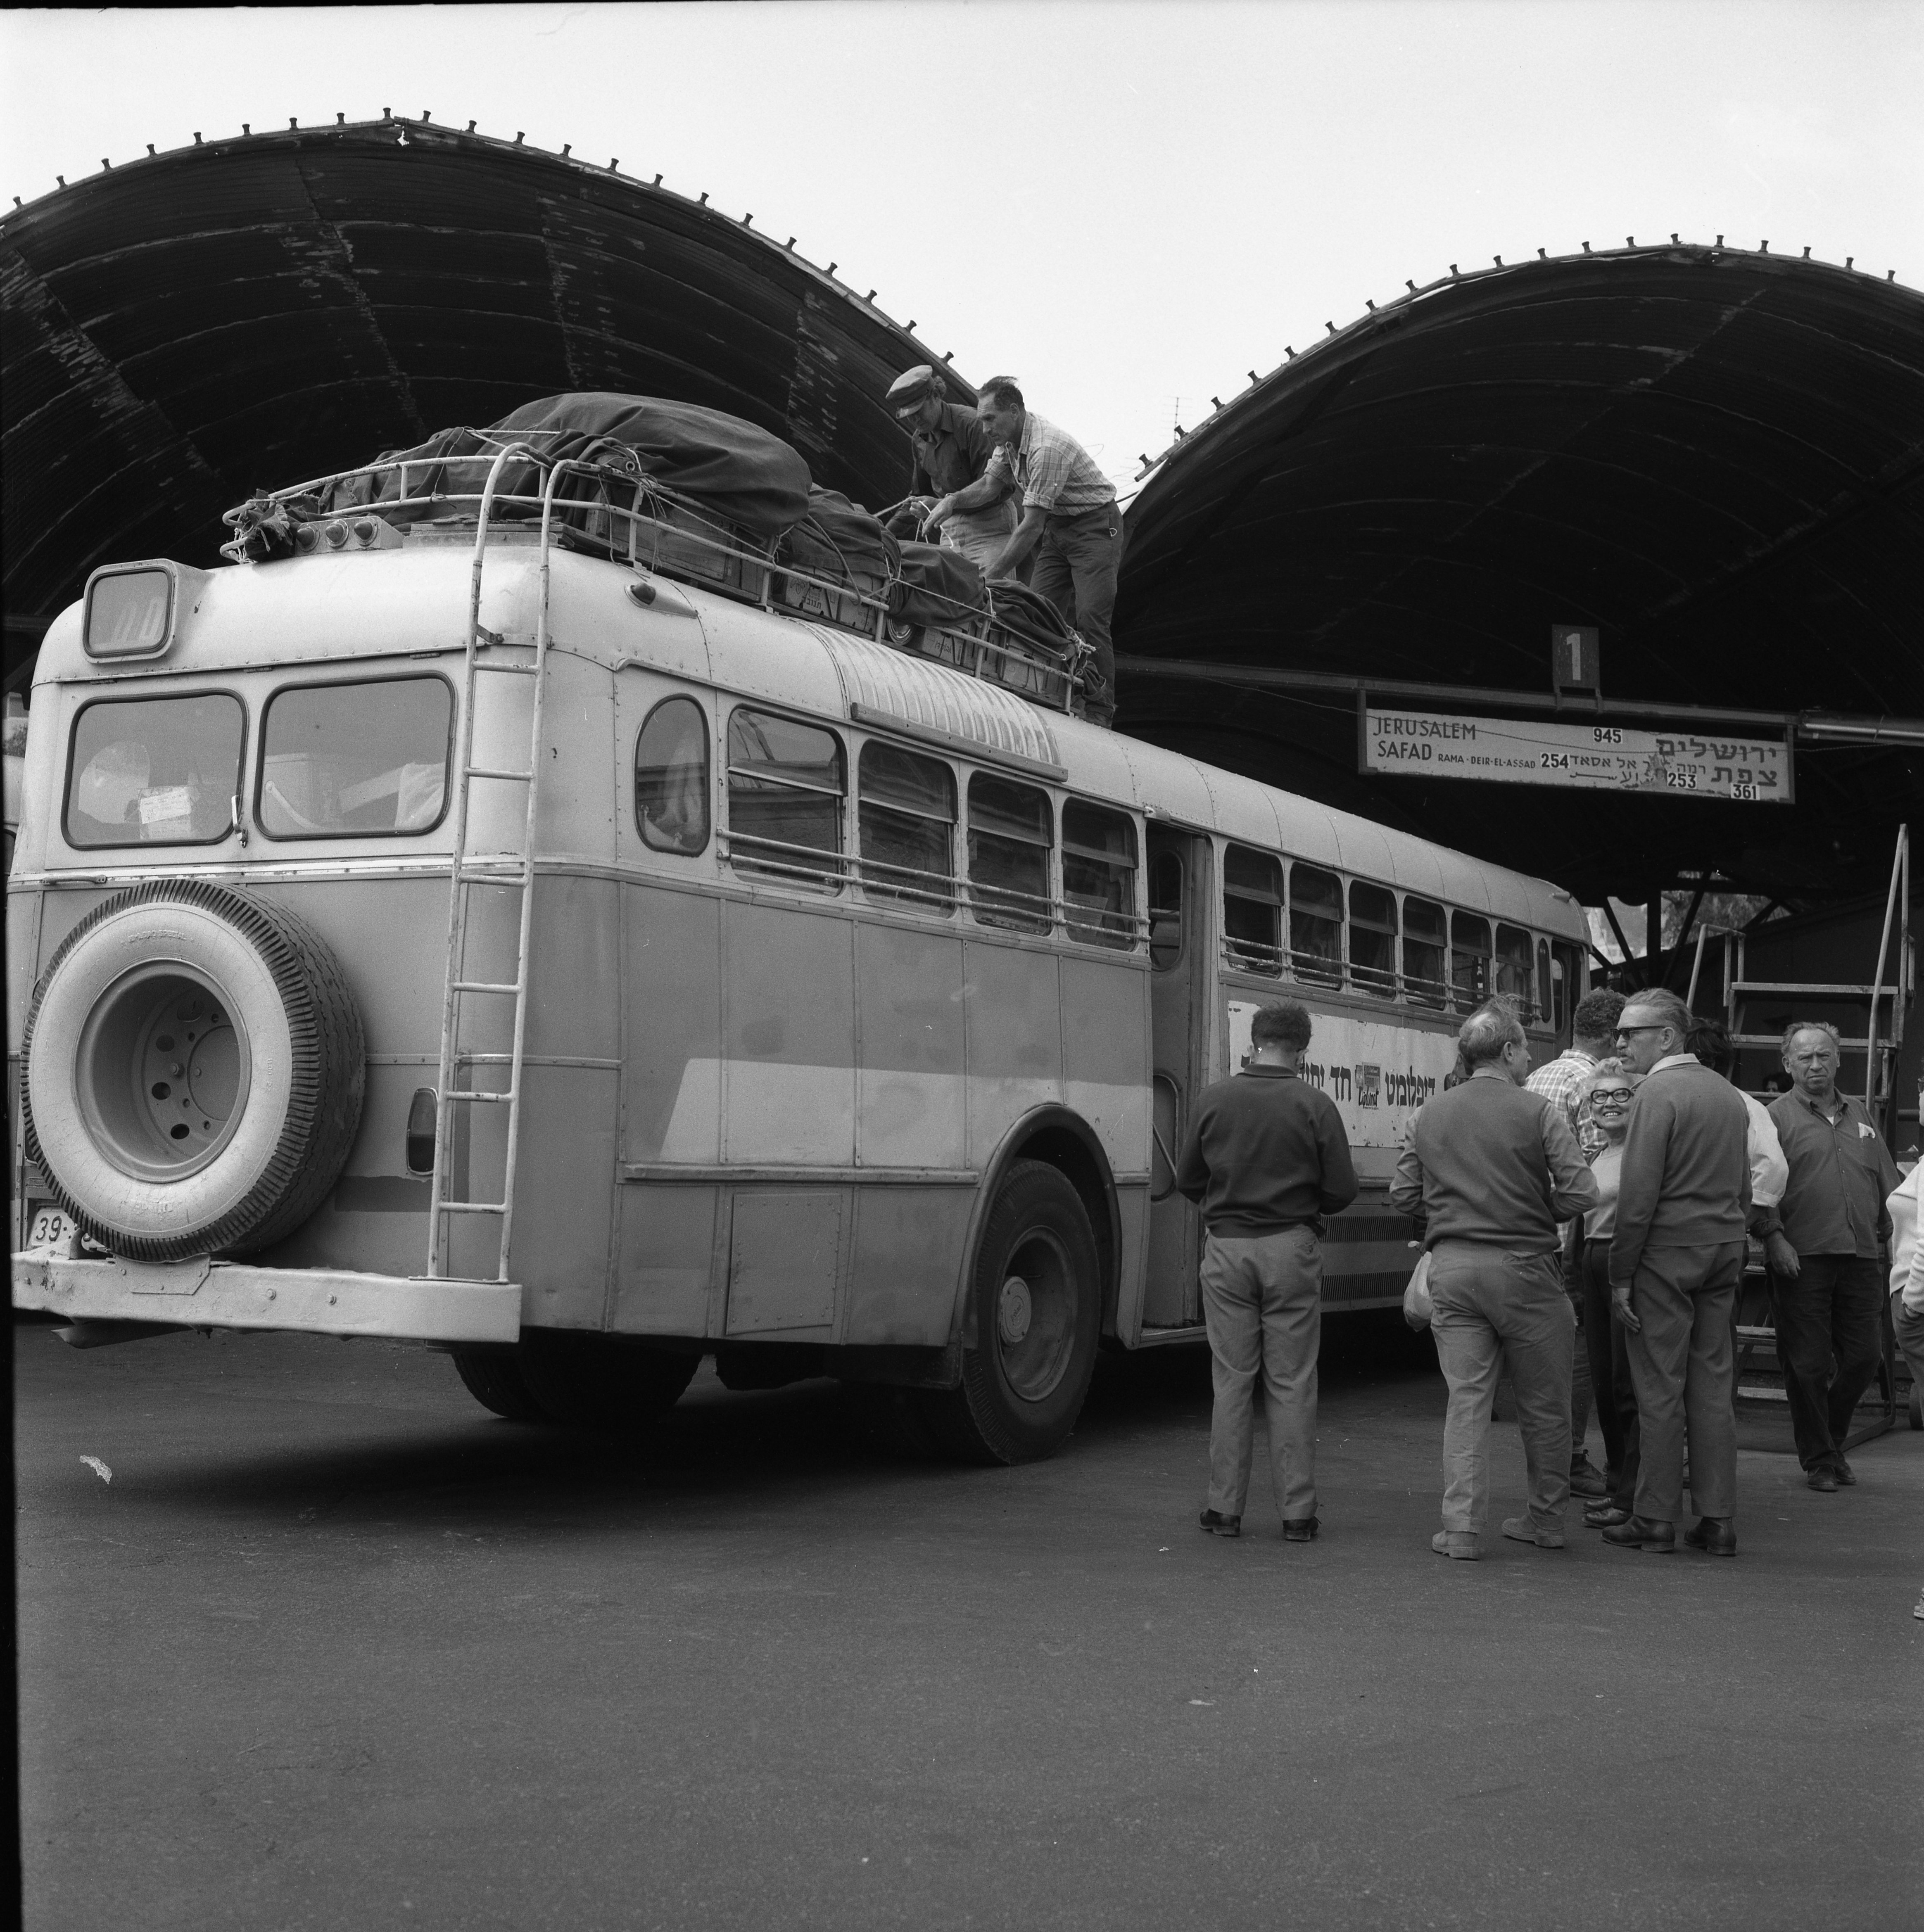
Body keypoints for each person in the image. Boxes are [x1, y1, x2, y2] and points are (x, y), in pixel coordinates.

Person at [1390, 1002, 1598, 1560]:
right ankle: (1546, 1521)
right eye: (1526, 1047)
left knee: (1466, 1403)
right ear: (1506, 1052)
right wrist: (1532, 1207)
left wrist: (1450, 1215)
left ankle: (1460, 1529)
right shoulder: (1536, 1112)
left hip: (1454, 1271)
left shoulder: (1428, 1113)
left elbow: (1404, 1195)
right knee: (1546, 1405)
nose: (1530, 1056)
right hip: (1528, 1271)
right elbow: (1582, 1193)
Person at [1175, 999, 1358, 1543]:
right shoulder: (1314, 1103)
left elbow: (1188, 1178)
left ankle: (1223, 1508)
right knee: (1292, 1381)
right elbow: (1342, 1190)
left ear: (1253, 1042)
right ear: (1301, 1049)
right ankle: (1297, 1514)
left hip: (1227, 1249)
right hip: (1290, 1248)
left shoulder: (1214, 1100)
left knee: (1231, 1380)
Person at [1603, 990, 1751, 1555]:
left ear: (1666, 1036)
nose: (1620, 1044)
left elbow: (1637, 1197)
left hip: (1665, 1253)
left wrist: (1620, 1273)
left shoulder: (1654, 1094)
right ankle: (1717, 1520)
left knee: (1658, 1386)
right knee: (1711, 1387)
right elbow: (1742, 1184)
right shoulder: (1727, 1095)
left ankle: (1654, 1516)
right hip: (1722, 1245)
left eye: (1629, 1032)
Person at [925, 377, 1124, 726]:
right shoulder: (1009, 443)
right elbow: (990, 486)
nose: (984, 428)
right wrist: (952, 502)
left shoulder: (1046, 448)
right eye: (982, 419)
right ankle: (1044, 691)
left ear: (1014, 412)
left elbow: (1030, 527)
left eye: (990, 419)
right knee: (1036, 611)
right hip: (1060, 529)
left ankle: (1101, 709)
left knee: (1092, 616)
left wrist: (988, 577)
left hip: (1095, 529)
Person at [1755, 1022, 1901, 1492]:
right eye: (1804, 1058)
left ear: (1838, 1060)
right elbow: (1758, 1187)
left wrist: (1891, 1228)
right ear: (1787, 1064)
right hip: (1802, 1255)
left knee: (1865, 1356)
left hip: (1861, 1253)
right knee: (1807, 1364)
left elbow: (1885, 1180)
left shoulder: (1858, 1112)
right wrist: (1773, 1238)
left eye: (1823, 1056)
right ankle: (1819, 1459)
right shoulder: (1773, 1117)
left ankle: (1830, 1442)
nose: (1815, 1065)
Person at [1526, 987, 1626, 1499]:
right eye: (1624, 1036)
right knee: (1585, 1354)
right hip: (1577, 1236)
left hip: (1536, 1232)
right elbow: (1597, 1161)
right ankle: (1570, 1457)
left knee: (1550, 1352)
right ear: (1610, 1035)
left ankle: (1549, 1459)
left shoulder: (1537, 1075)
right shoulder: (1591, 1083)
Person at [1572, 1060, 1644, 1531]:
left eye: (1621, 1095)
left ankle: (1631, 1494)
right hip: (1591, 1266)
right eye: (1600, 1097)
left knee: (1626, 1384)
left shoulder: (1642, 1153)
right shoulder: (1596, 1154)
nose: (1610, 1104)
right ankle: (1618, 1481)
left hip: (1624, 1264)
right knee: (1602, 1380)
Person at [883, 365, 1018, 573]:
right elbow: (919, 495)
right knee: (950, 601)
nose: (916, 420)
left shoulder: (973, 425)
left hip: (991, 529)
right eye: (910, 416)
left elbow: (997, 489)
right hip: (951, 532)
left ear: (935, 397)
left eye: (919, 411)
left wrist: (943, 504)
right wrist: (883, 535)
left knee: (995, 597)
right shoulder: (919, 440)